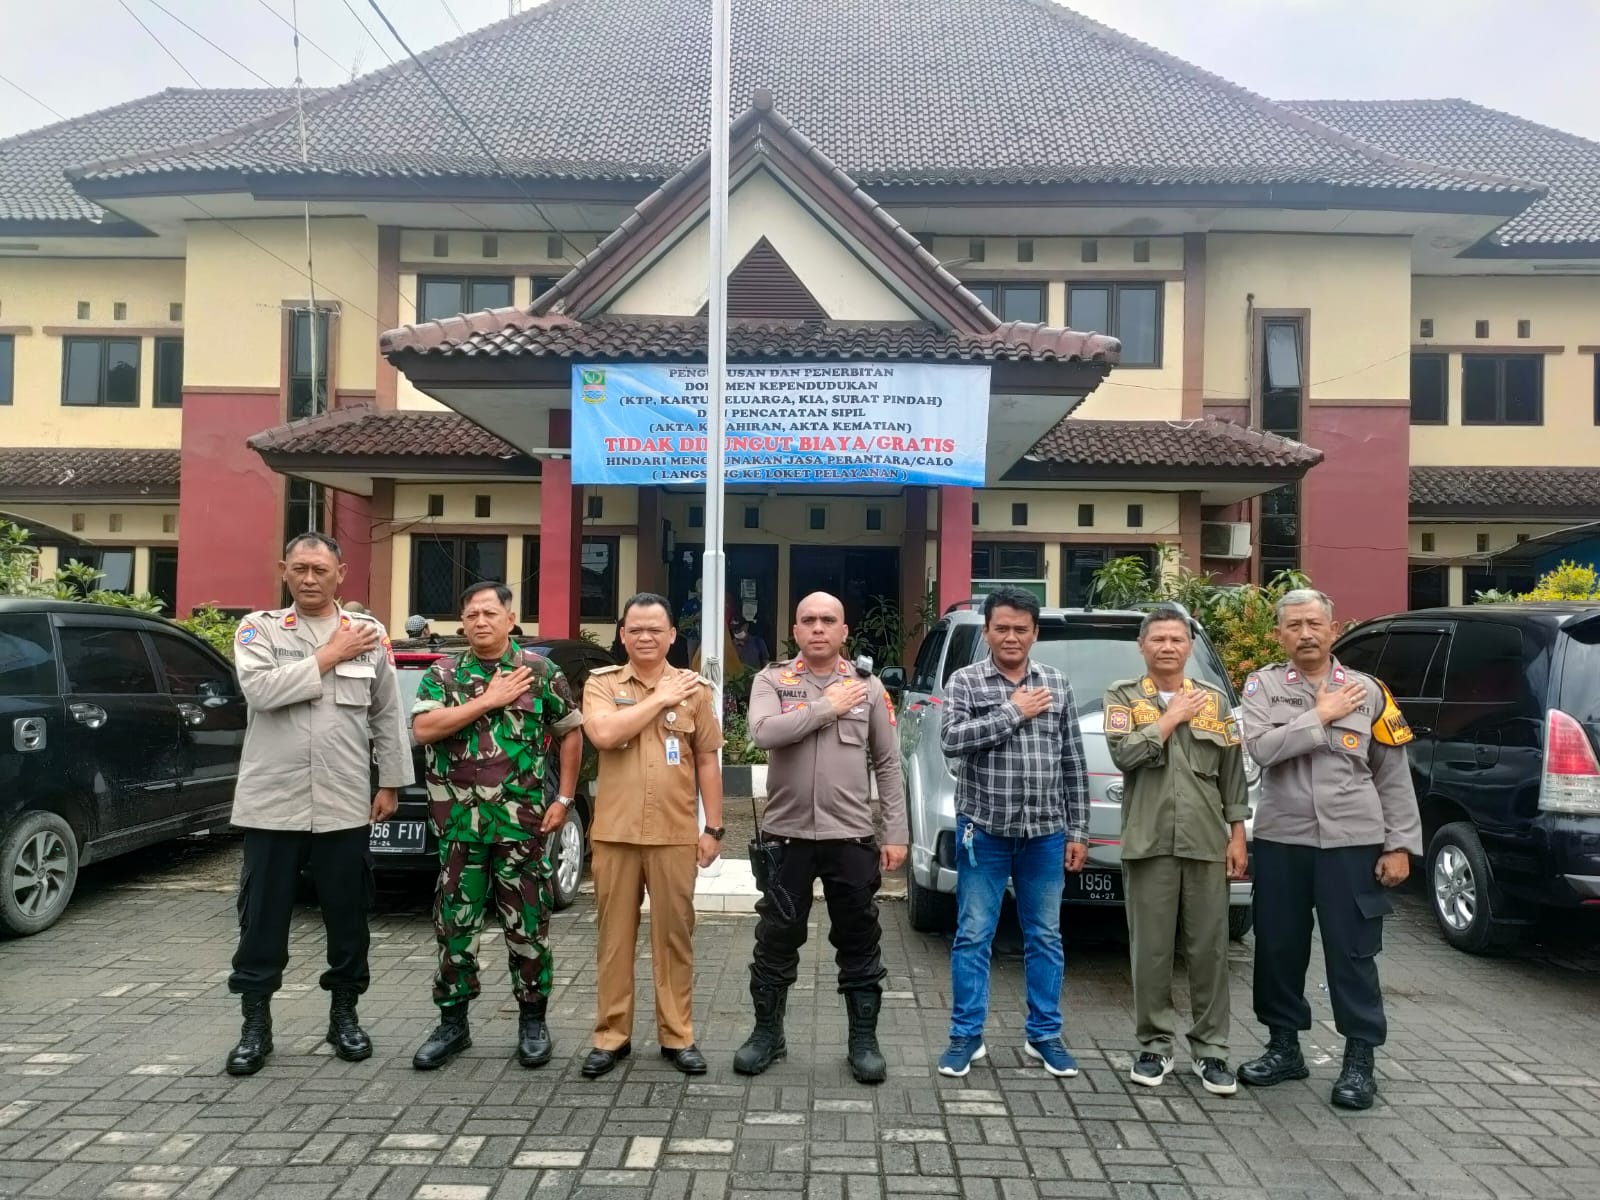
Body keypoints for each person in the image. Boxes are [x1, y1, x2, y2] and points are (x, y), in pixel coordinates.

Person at [223, 532, 412, 1076]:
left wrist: (391, 783)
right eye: (300, 568)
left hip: (343, 801)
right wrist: (330, 655)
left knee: (348, 916)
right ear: (284, 569)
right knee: (262, 919)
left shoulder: (369, 635)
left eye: (320, 570)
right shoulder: (259, 628)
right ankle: (255, 1025)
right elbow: (260, 691)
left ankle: (344, 1016)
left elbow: (386, 713)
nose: (309, 578)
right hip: (272, 803)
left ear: (340, 574)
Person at [1237, 587, 1421, 1111]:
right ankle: (1284, 1047)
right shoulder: (1263, 687)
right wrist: (1319, 716)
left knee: (1353, 951)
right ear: (1279, 635)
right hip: (1283, 840)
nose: (1305, 634)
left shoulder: (1369, 691)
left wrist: (1400, 845)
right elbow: (1261, 749)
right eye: (1293, 626)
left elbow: (1392, 774)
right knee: (1278, 947)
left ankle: (1360, 1060)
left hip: (1352, 843)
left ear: (1334, 630)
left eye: (1314, 624)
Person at [408, 582, 584, 1071]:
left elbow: (571, 732)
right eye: (471, 614)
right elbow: (423, 729)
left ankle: (533, 1021)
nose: (480, 621)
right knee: (454, 928)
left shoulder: (540, 672)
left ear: (510, 619)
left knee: (528, 927)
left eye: (489, 613)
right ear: (462, 622)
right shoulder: (443, 674)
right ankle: (453, 1023)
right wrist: (487, 700)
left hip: (522, 827)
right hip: (458, 828)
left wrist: (564, 798)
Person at [734, 592, 906, 1084]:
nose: (817, 628)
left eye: (828, 620)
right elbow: (763, 733)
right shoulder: (772, 681)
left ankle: (863, 1041)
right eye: (808, 620)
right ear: (795, 630)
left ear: (843, 630)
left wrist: (895, 832)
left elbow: (888, 764)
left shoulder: (868, 687)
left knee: (859, 938)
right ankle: (767, 1034)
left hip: (850, 837)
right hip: (785, 838)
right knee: (775, 938)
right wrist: (826, 707)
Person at [938, 587, 1088, 1079]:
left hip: (1045, 833)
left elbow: (1072, 761)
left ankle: (1044, 1035)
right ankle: (966, 1036)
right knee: (973, 934)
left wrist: (1078, 830)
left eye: (1020, 629)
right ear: (986, 632)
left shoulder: (1057, 683)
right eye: (1001, 628)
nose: (1011, 637)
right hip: (983, 831)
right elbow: (951, 740)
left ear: (1034, 633)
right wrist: (1013, 712)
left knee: (1045, 936)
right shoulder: (966, 681)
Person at [1104, 605, 1250, 1096]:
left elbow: (1232, 773)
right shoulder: (1123, 696)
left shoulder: (1215, 700)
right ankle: (1153, 1045)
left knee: (1210, 950)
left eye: (1177, 639)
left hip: (1206, 841)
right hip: (1148, 842)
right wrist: (1169, 719)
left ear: (1189, 647)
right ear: (1142, 646)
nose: (1168, 646)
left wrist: (1237, 835)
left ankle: (1212, 1050)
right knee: (1151, 950)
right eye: (1158, 638)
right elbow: (1124, 754)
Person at [580, 592, 724, 1078]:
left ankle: (677, 1035)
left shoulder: (695, 691)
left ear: (671, 636)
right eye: (636, 629)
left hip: (674, 833)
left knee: (675, 939)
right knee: (614, 940)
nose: (645, 637)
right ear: (622, 635)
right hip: (615, 834)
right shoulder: (602, 684)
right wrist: (660, 697)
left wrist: (714, 827)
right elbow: (603, 734)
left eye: (655, 630)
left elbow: (707, 759)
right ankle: (611, 1036)